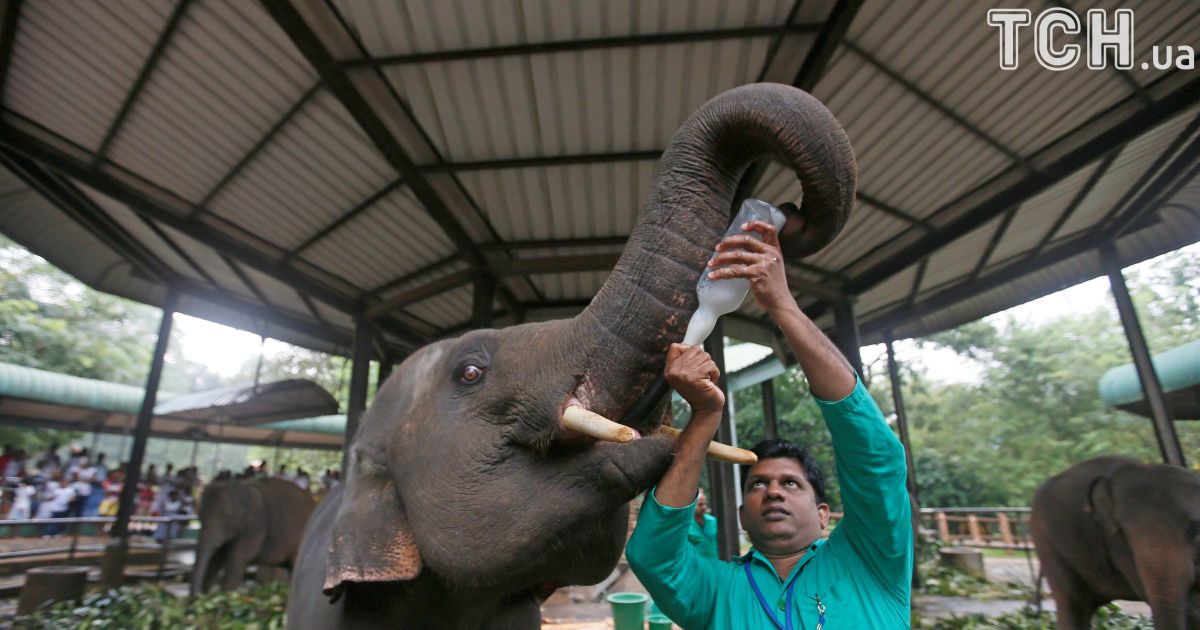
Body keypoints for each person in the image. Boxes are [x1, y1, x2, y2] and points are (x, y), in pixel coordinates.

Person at [625, 219, 912, 629]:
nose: (773, 491)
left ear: (824, 514)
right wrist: (705, 416)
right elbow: (654, 555)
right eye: (758, 484)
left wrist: (781, 305)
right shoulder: (716, 590)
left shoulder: (873, 560)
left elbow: (877, 459)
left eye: (791, 483)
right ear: (742, 517)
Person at [687, 488, 719, 559]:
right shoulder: (686, 525)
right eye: (700, 504)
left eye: (705, 504)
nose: (704, 507)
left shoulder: (713, 521)